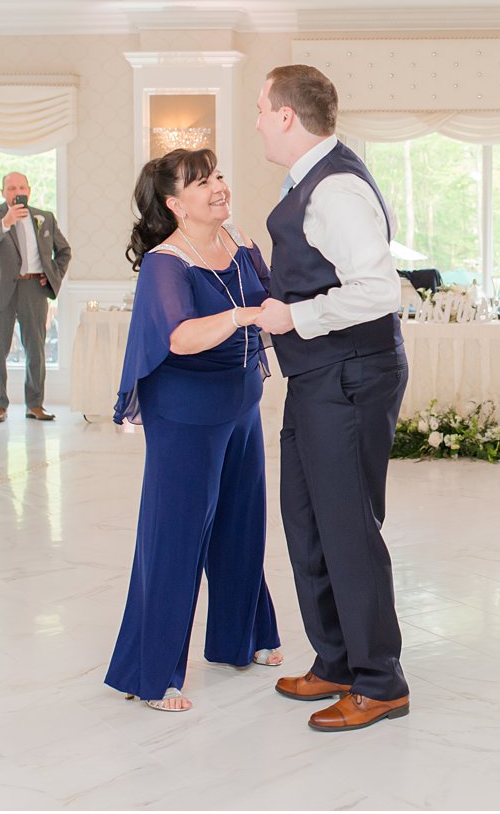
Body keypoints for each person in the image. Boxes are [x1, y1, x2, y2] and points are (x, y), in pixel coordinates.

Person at [251, 64, 411, 733]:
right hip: (322, 375)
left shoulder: (335, 187)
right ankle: (339, 658)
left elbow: (380, 290)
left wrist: (293, 319)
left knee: (347, 530)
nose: (257, 118)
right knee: (307, 521)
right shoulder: (312, 181)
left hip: (348, 374)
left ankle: (381, 680)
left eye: (261, 107)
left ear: (287, 115)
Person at [105, 148, 282, 714]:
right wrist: (239, 317)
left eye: (219, 176)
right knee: (176, 537)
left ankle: (241, 636)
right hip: (184, 412)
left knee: (241, 524)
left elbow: (274, 304)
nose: (218, 188)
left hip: (241, 405)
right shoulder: (166, 262)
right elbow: (179, 337)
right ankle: (150, 671)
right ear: (174, 203)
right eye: (201, 182)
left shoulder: (242, 243)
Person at [0, 172, 72, 423]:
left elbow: (64, 251)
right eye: (11, 188)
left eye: (21, 187)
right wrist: (5, 222)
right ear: (3, 192)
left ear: (29, 190)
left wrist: (51, 276)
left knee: (36, 349)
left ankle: (35, 404)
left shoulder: (44, 217)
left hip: (33, 289)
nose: (17, 192)